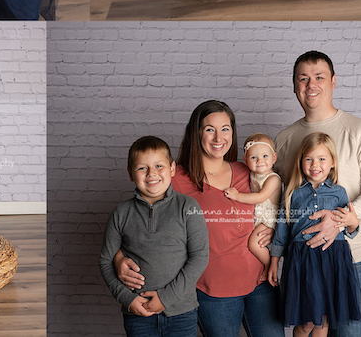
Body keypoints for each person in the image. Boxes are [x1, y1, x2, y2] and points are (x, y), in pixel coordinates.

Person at [115, 101, 283, 337]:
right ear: (197, 132)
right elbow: (137, 220)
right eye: (209, 129)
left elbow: (278, 207)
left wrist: (275, 233)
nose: (218, 137)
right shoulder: (177, 180)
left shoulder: (249, 170)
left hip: (261, 282)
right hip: (213, 292)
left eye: (225, 128)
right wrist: (118, 258)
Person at [275, 51, 361, 337]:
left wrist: (339, 219)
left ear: (333, 81)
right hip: (302, 262)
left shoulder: (359, 130)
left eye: (319, 77)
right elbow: (278, 199)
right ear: (294, 86)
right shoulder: (284, 138)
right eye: (303, 78)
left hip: (349, 259)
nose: (310, 85)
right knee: (307, 328)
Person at [99, 136, 208, 337]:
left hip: (181, 311)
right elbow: (106, 261)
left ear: (173, 169)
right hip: (138, 313)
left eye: (159, 166)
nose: (152, 174)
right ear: (131, 174)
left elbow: (199, 257)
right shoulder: (121, 213)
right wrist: (127, 299)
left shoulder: (188, 207)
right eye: (142, 168)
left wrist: (166, 298)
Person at [268, 133, 361, 337]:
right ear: (301, 161)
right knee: (307, 322)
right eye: (309, 158)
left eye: (321, 159)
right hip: (303, 260)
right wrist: (274, 261)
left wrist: (353, 224)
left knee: (323, 321)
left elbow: (349, 227)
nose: (314, 164)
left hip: (333, 259)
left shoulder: (339, 193)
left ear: (332, 163)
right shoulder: (293, 193)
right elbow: (282, 230)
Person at [224, 133, 282, 267]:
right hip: (258, 216)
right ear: (245, 160)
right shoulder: (251, 174)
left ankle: (269, 266)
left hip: (268, 219)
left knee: (254, 244)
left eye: (265, 156)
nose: (259, 161)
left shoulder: (273, 179)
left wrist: (237, 196)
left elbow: (260, 197)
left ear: (274, 158)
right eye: (254, 157)